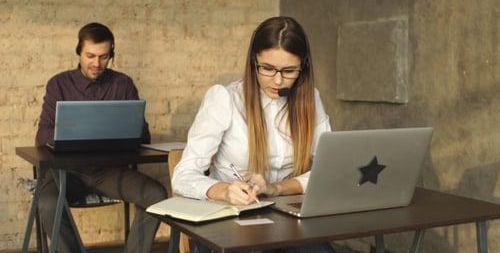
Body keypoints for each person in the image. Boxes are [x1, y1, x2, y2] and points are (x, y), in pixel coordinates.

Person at [172, 16, 335, 253]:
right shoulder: (224, 98)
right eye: (267, 68)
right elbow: (183, 175)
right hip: (226, 220)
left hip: (284, 220)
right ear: (253, 62)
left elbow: (328, 170)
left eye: (289, 71)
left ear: (304, 67)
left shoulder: (310, 100)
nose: (278, 80)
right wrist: (224, 191)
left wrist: (276, 188)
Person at [35, 22, 168, 253]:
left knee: (156, 195)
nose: (96, 63)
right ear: (79, 51)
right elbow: (42, 135)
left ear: (111, 55)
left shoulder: (123, 84)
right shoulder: (59, 84)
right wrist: (74, 134)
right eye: (90, 56)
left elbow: (143, 133)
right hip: (68, 173)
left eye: (104, 57)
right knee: (47, 202)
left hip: (110, 172)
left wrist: (123, 131)